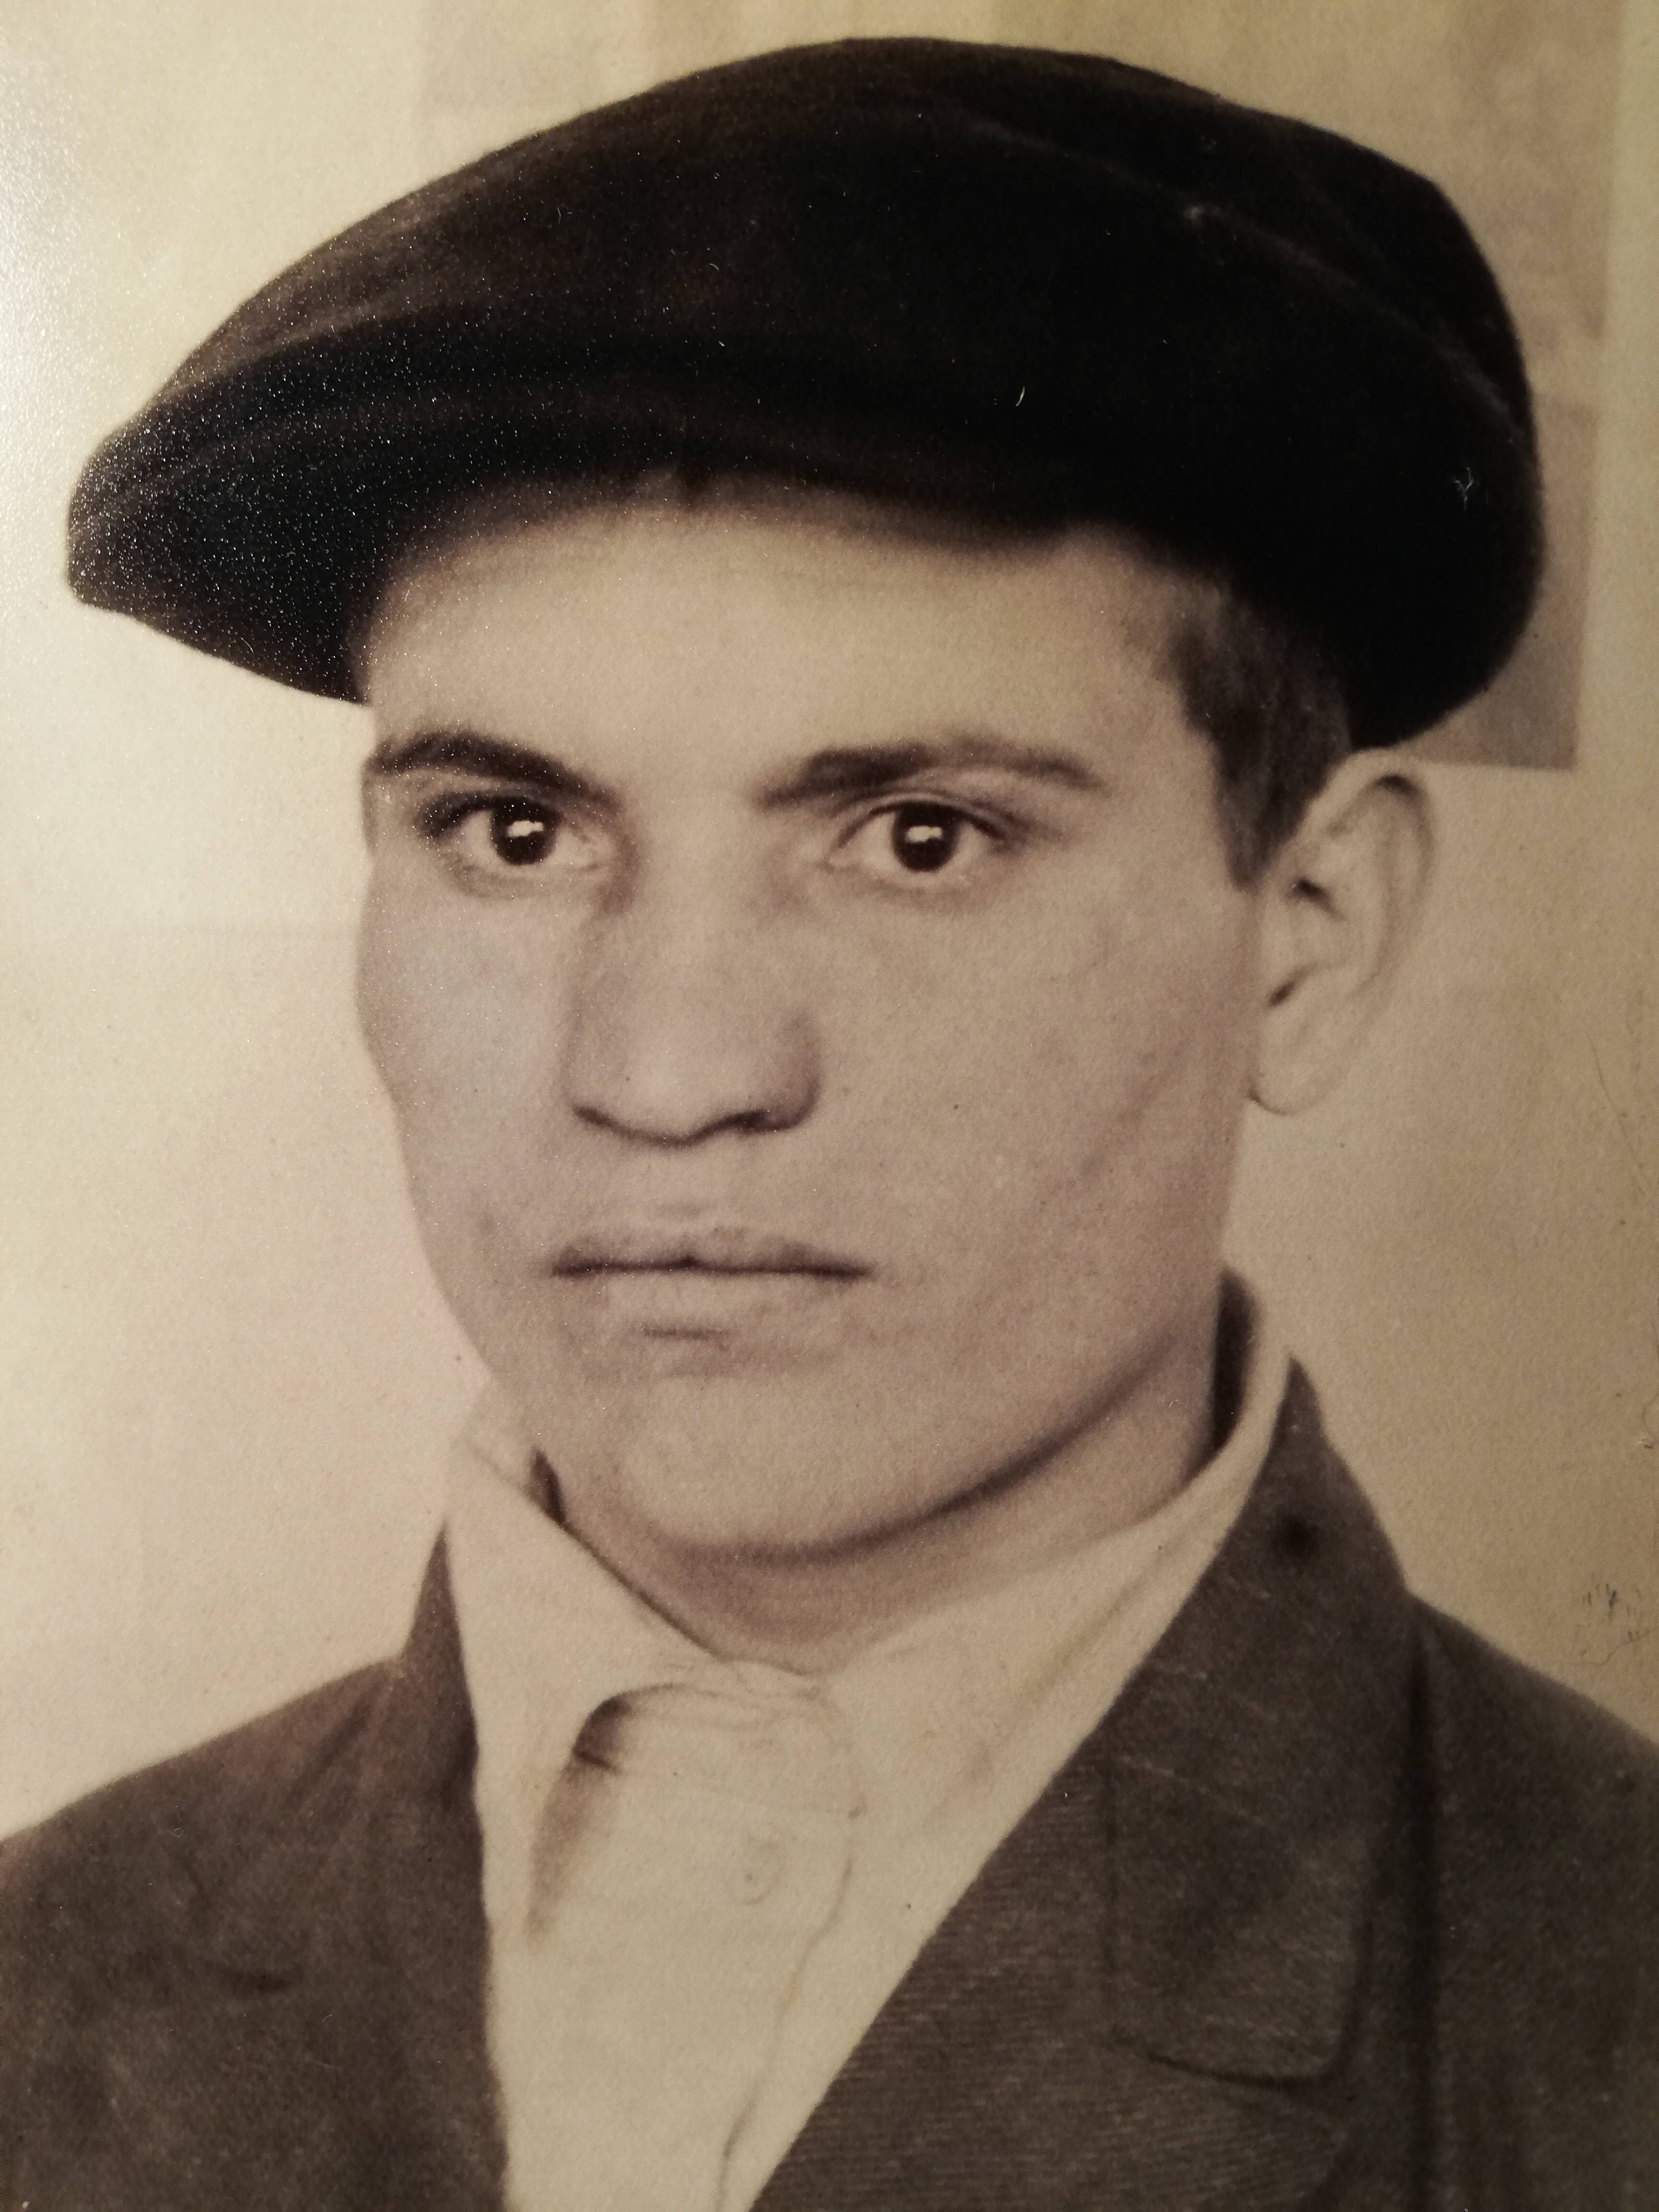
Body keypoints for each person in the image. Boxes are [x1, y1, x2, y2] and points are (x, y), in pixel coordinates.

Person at [2, 35, 1655, 2211]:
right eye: (514, 831)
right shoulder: (45, 1964)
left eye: (920, 838)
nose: (668, 1073)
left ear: (1315, 932)